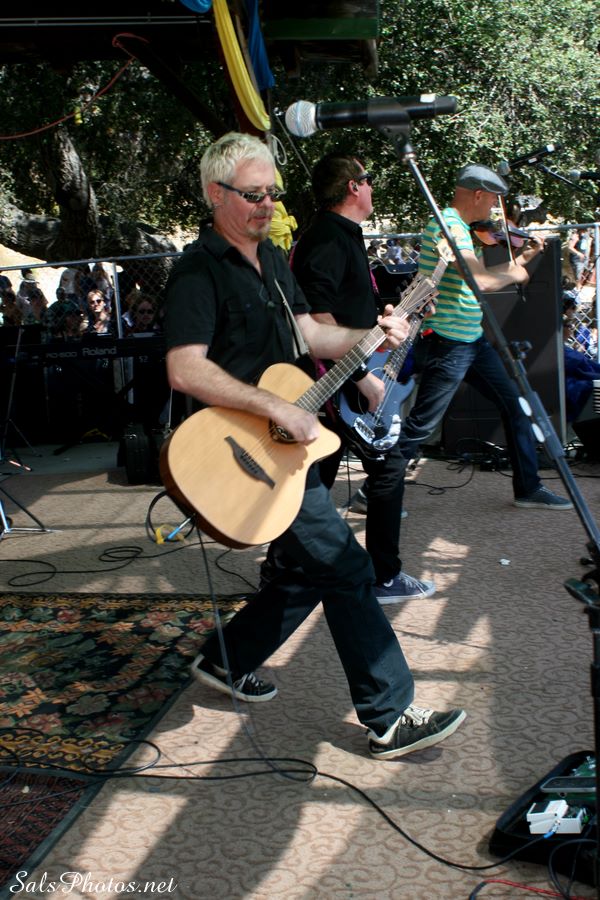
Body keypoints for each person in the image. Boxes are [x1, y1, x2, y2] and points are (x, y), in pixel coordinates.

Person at [163, 131, 465, 759]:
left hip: (288, 444)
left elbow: (309, 335)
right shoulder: (196, 271)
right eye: (253, 195)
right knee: (347, 566)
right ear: (216, 194)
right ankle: (389, 715)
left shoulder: (273, 261)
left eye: (272, 193)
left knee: (306, 570)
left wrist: (374, 336)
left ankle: (226, 658)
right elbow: (185, 368)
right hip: (243, 448)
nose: (268, 205)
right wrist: (273, 405)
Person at [289, 151, 434, 604]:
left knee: (314, 481)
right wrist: (359, 377)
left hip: (343, 383)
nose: (372, 188)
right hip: (335, 385)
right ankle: (383, 576)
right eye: (368, 180)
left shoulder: (341, 235)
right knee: (384, 469)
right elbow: (318, 319)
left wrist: (405, 311)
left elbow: (351, 312)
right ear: (353, 187)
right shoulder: (328, 239)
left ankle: (286, 572)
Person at [396, 163, 572, 510]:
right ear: (478, 194)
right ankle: (374, 493)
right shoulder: (448, 226)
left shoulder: (463, 228)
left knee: (515, 404)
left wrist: (524, 258)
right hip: (448, 340)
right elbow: (482, 281)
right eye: (493, 200)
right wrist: (517, 274)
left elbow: (481, 275)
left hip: (469, 340)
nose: (495, 208)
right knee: (420, 426)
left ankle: (528, 488)